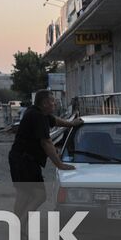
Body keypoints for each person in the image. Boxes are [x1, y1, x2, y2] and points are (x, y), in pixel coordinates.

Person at [9, 91, 83, 223]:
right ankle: (22, 224)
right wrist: (59, 164)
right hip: (25, 160)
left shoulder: (37, 112)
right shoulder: (37, 116)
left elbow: (54, 120)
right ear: (44, 103)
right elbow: (46, 142)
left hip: (19, 158)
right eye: (52, 101)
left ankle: (17, 225)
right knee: (39, 196)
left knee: (23, 194)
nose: (54, 103)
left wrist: (71, 124)